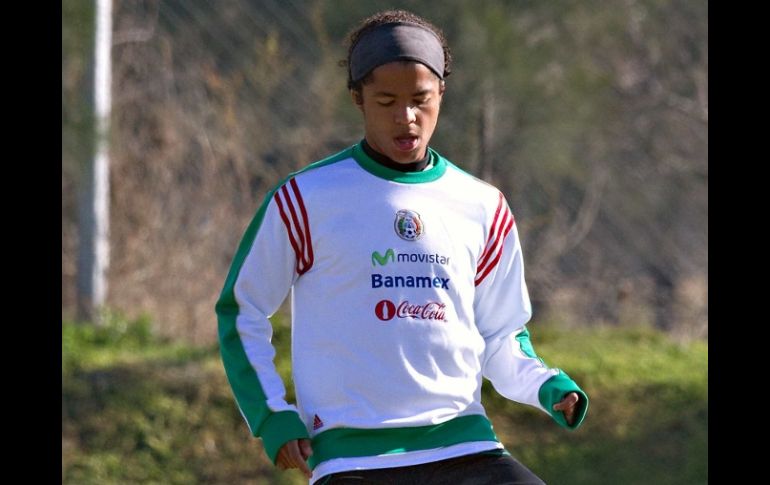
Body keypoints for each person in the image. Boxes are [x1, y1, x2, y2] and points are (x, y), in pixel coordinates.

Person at [216, 9, 588, 485]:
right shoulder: (305, 199)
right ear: (358, 99)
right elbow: (241, 310)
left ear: (442, 96)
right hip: (352, 457)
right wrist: (272, 415)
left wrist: (545, 385)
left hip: (465, 445)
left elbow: (500, 336)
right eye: (386, 100)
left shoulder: (483, 205)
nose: (406, 117)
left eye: (420, 99)